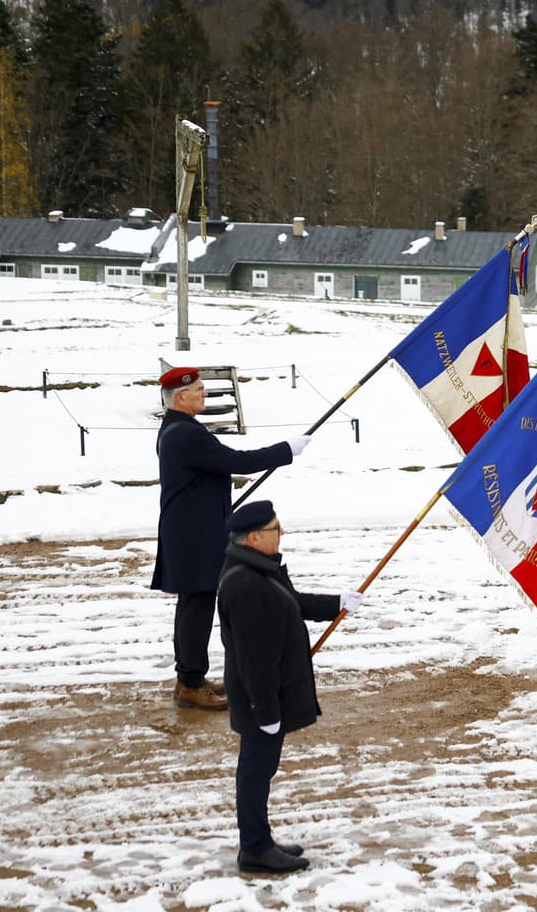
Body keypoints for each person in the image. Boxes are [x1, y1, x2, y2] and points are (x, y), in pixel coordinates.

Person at [216, 500, 362, 873]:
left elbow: (291, 604)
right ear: (253, 537)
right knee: (255, 770)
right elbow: (255, 661)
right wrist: (264, 710)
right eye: (275, 529)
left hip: (265, 698)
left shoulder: (258, 568)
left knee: (261, 769)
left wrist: (336, 604)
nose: (282, 534)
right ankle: (254, 849)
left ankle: (259, 841)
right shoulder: (246, 584)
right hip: (260, 700)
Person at [154, 366, 310, 710]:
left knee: (194, 606)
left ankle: (190, 679)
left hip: (192, 530)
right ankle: (191, 684)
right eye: (198, 390)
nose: (204, 394)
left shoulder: (177, 429)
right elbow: (236, 461)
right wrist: (286, 450)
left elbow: (210, 472)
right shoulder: (185, 434)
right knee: (196, 608)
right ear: (180, 397)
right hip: (195, 535)